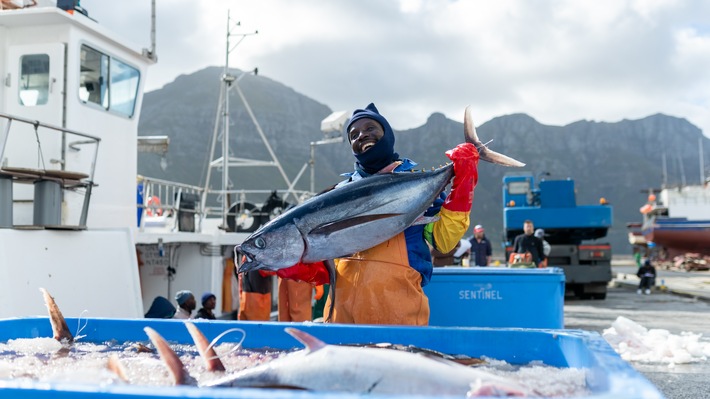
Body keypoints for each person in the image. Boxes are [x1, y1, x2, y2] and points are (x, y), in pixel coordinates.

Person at [273, 103, 477, 325]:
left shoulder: (415, 186)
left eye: (370, 128)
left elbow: (443, 240)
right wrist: (298, 264)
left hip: (399, 319)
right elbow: (328, 262)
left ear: (386, 134)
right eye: (354, 134)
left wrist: (463, 186)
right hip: (341, 320)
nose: (362, 135)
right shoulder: (336, 193)